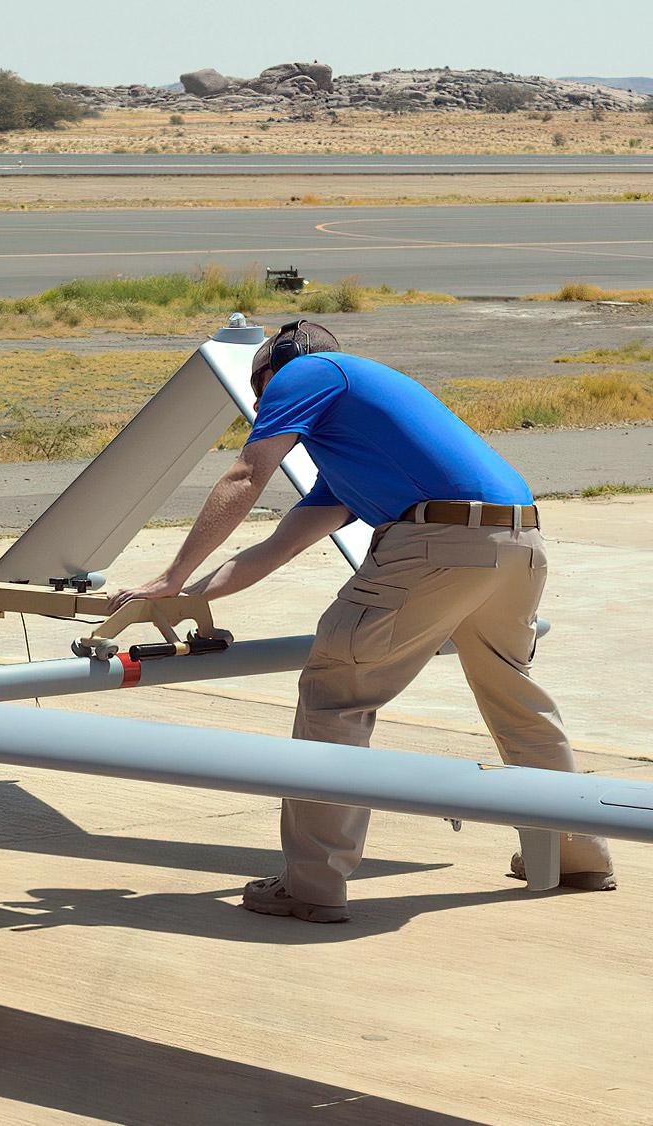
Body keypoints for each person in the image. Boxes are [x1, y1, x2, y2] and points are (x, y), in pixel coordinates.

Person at [108, 320, 612, 923]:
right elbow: (272, 551)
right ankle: (577, 852)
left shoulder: (305, 373)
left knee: (335, 698)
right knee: (514, 695)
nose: (265, 407)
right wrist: (179, 594)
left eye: (261, 394)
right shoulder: (352, 464)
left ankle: (311, 885)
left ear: (273, 373)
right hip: (518, 541)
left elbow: (245, 475)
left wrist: (168, 573)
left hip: (438, 539)